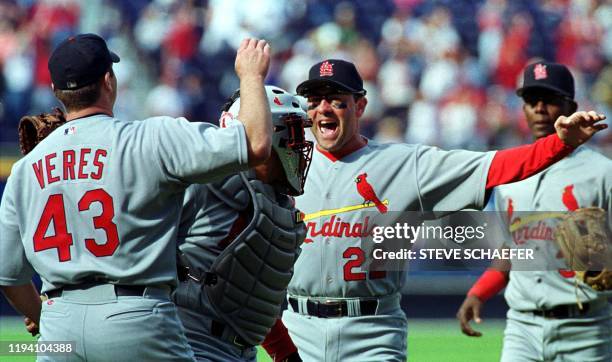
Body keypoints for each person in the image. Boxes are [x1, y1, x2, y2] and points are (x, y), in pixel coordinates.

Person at [282, 59, 608, 361]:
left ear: (361, 105)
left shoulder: (406, 165)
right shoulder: (283, 165)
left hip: (371, 331)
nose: (324, 106)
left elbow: (494, 166)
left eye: (337, 98)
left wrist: (560, 142)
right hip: (299, 327)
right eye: (314, 99)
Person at [0, 33, 273, 361]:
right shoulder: (150, 139)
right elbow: (256, 144)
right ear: (108, 81)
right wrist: (251, 76)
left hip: (60, 321)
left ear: (56, 92)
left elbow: (7, 274)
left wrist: (49, 319)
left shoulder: (25, 168)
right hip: (135, 316)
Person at [456, 62, 612, 361]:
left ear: (572, 107)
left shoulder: (603, 173)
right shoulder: (510, 172)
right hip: (522, 327)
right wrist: (479, 292)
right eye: (531, 101)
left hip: (587, 328)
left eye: (550, 99)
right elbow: (512, 248)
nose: (540, 109)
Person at [173, 85, 312, 362]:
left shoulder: (278, 203)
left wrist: (286, 354)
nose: (300, 143)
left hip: (240, 350)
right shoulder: (206, 181)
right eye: (293, 130)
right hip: (190, 342)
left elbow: (250, 294)